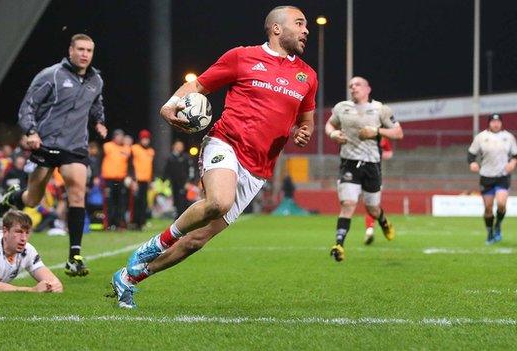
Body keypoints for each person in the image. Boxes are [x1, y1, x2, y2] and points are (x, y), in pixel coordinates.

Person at [110, 5, 317, 308]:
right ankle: (155, 244)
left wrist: (304, 132)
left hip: (258, 168)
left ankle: (129, 278)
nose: (305, 30)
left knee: (196, 241)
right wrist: (169, 106)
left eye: (306, 25)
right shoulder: (242, 57)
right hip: (225, 143)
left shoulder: (307, 76)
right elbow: (197, 85)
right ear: (276, 28)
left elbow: (306, 122)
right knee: (219, 200)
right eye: (299, 23)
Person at [0, 33, 108, 277]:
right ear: (70, 50)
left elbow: (96, 105)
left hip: (76, 146)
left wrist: (99, 121)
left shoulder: (95, 80)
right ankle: (14, 197)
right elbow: (27, 106)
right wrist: (32, 131)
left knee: (77, 192)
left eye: (89, 50)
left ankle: (74, 257)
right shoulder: (51, 75)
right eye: (80, 49)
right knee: (33, 200)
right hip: (46, 144)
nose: (84, 54)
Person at [325, 76, 403, 262]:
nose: (353, 88)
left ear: (368, 89)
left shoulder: (381, 109)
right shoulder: (342, 107)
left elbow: (398, 133)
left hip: (372, 165)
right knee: (348, 204)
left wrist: (377, 131)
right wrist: (333, 133)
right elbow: (330, 124)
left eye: (357, 84)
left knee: (372, 208)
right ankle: (339, 245)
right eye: (350, 85)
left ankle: (383, 222)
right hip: (349, 163)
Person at [467, 113, 517, 244]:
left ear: (501, 123)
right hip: (486, 176)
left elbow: (515, 155)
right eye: (493, 121)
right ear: (489, 123)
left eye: (498, 121)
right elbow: (471, 154)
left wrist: (512, 163)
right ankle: (489, 232)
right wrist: (472, 163)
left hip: (502, 176)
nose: (496, 124)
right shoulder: (481, 137)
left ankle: (498, 225)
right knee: (488, 208)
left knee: (501, 204)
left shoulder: (509, 137)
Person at [363, 137, 393, 244]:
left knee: (371, 204)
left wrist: (378, 154)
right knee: (369, 204)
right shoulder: (360, 132)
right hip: (357, 173)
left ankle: (370, 229)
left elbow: (389, 153)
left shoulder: (382, 136)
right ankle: (371, 228)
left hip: (374, 174)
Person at [101, 129, 131, 230]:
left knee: (121, 203)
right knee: (109, 202)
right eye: (119, 136)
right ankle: (109, 224)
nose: (121, 138)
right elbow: (99, 160)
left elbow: (131, 164)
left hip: (121, 180)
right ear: (114, 137)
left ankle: (119, 224)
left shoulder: (127, 148)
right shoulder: (107, 146)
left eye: (122, 136)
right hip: (109, 180)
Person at [163, 140, 194, 219]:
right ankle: (178, 220)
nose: (179, 148)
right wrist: (166, 182)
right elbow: (166, 171)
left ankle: (183, 219)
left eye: (180, 146)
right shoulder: (170, 158)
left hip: (184, 184)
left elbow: (190, 170)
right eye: (177, 145)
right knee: (176, 202)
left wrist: (188, 182)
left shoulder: (186, 157)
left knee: (184, 202)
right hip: (174, 184)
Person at [131, 129, 155, 230]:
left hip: (146, 181)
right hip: (137, 180)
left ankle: (142, 222)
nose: (145, 141)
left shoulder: (151, 151)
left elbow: (151, 166)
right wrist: (132, 179)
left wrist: (151, 180)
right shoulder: (134, 148)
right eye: (143, 139)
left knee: (144, 202)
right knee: (136, 202)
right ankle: (134, 223)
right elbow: (130, 164)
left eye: (147, 139)